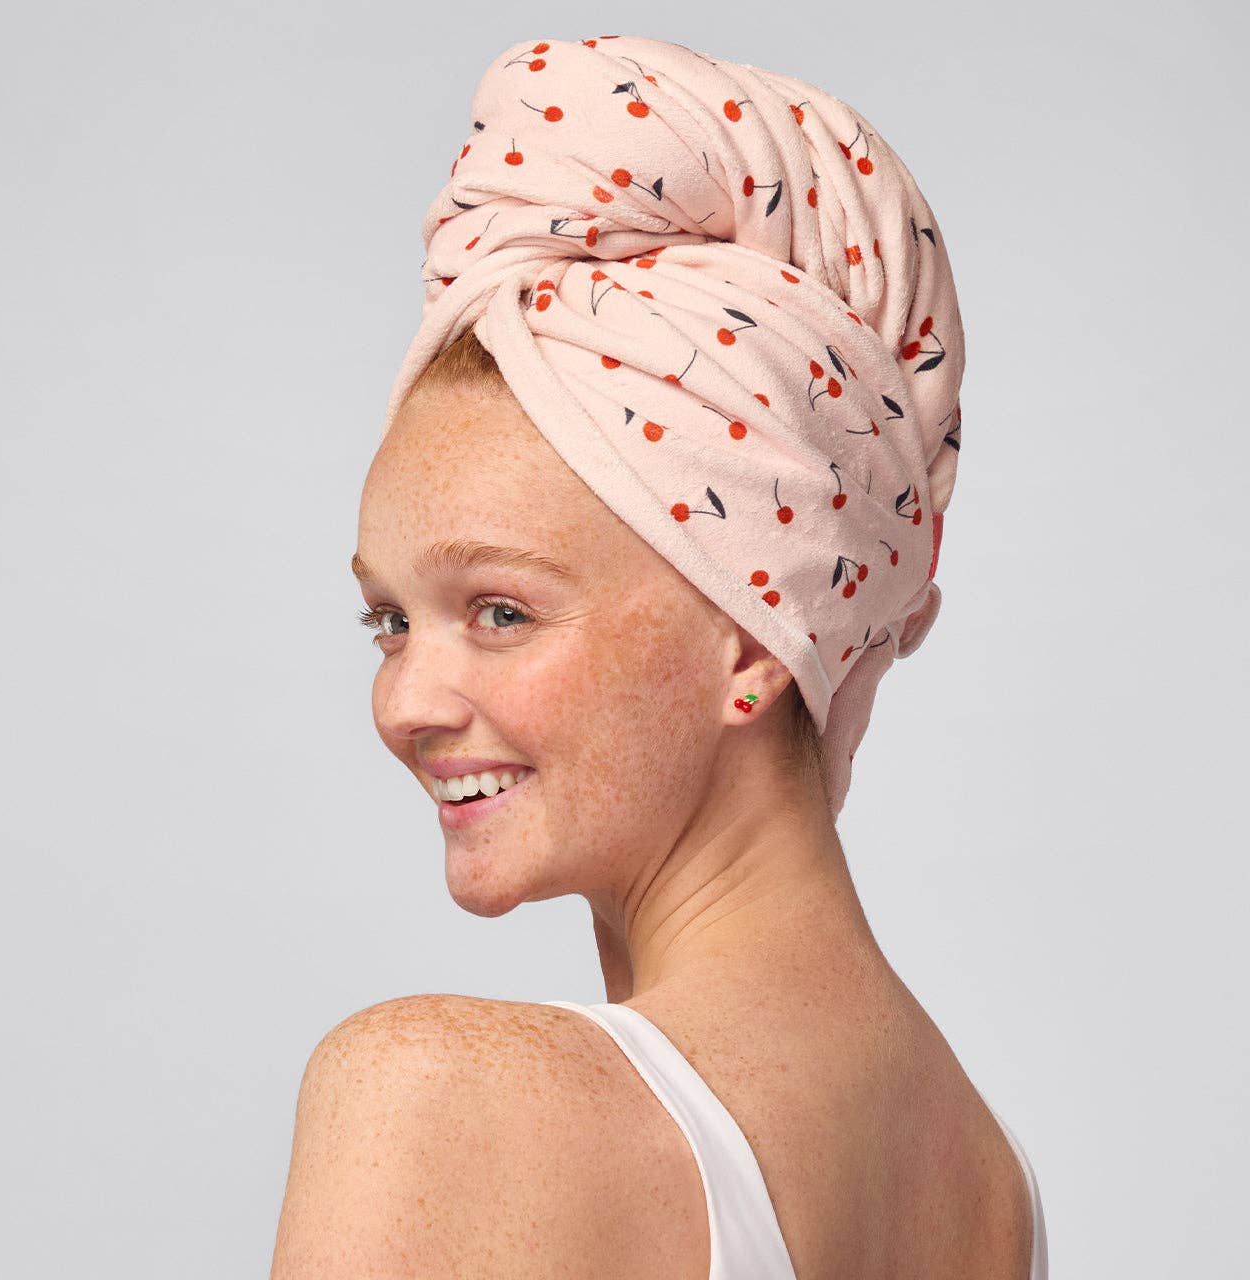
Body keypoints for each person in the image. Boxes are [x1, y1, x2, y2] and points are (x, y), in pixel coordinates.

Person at [270, 34, 1048, 1280]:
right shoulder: (983, 1181)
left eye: (500, 611)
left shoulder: (433, 1095)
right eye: (390, 621)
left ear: (749, 634)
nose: (404, 701)